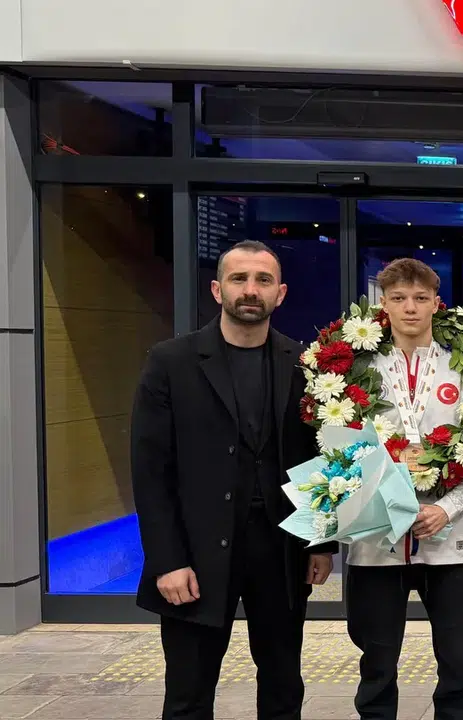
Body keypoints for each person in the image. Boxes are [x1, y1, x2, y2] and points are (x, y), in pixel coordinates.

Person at [131, 240, 335, 720]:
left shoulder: (305, 365)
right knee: (189, 693)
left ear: (280, 293)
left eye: (263, 280)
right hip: (195, 555)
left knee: (284, 688)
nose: (250, 290)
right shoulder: (171, 361)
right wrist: (167, 561)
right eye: (239, 278)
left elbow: (320, 460)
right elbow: (150, 470)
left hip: (280, 552)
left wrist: (321, 542)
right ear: (217, 289)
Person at [344, 258, 463, 720]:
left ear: (436, 304)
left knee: (456, 660)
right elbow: (339, 445)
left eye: (420, 298)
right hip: (376, 539)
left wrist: (449, 507)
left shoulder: (462, 368)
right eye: (399, 298)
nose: (410, 308)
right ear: (382, 305)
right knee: (376, 662)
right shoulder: (356, 368)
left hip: (449, 539)